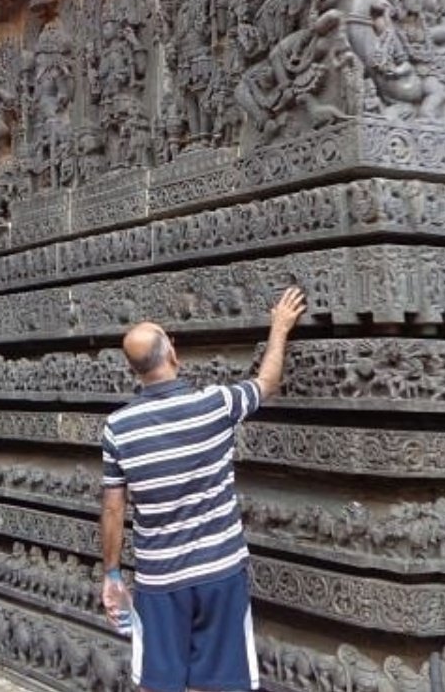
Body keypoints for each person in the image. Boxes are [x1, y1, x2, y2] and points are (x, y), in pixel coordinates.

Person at [100, 287, 307, 692]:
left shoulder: (118, 428)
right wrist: (279, 327)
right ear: (173, 354)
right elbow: (266, 382)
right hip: (219, 572)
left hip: (159, 579)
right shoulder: (215, 405)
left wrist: (112, 573)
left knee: (159, 683)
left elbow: (113, 510)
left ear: (134, 371)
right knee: (225, 682)